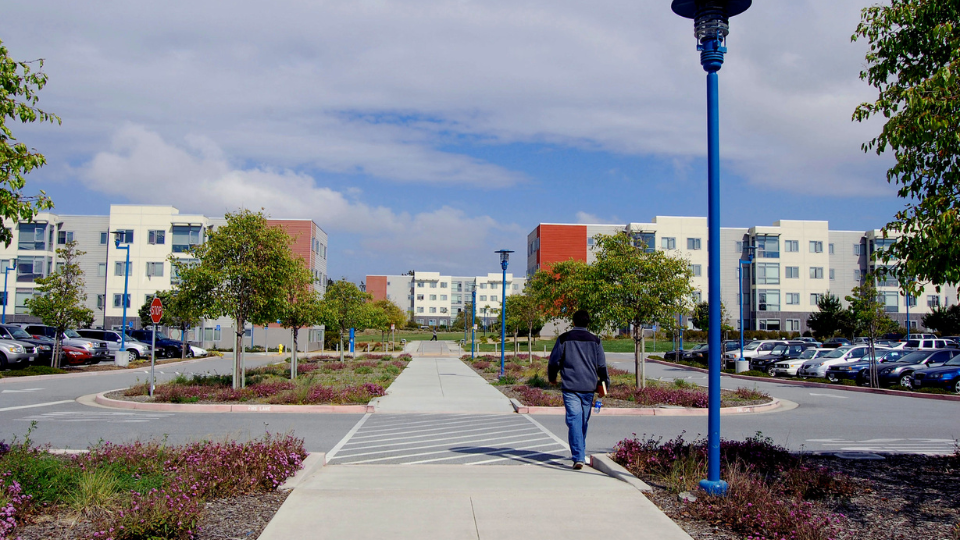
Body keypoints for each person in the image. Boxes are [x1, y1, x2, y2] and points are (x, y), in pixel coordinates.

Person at [548, 309, 609, 470]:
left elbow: (554, 361)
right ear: (588, 323)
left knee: (577, 420)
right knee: (579, 421)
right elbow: (601, 366)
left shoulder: (564, 339)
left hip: (570, 386)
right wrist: (604, 384)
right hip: (588, 387)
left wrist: (552, 377)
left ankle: (578, 454)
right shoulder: (596, 341)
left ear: (573, 322)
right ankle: (579, 456)